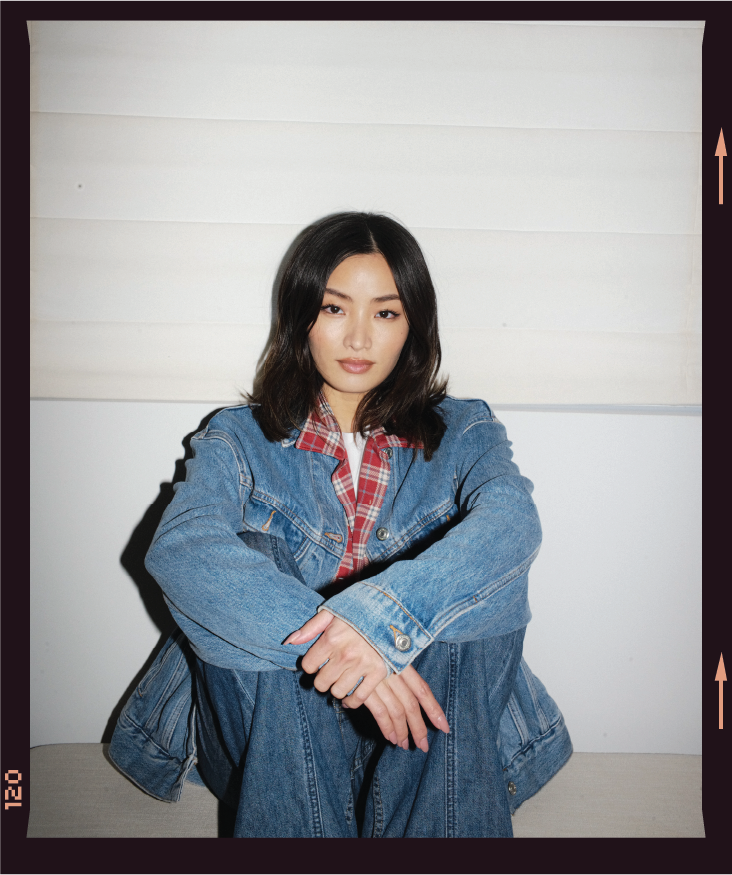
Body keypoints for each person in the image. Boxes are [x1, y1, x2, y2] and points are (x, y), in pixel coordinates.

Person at [109, 212, 572, 837]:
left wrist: (385, 623)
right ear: (300, 316)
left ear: (414, 326)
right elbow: (182, 548)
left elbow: (513, 522)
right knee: (253, 552)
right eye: (334, 309)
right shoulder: (237, 437)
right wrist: (343, 646)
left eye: (386, 313)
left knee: (482, 553)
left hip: (431, 739)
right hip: (268, 740)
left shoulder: (466, 430)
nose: (358, 338)